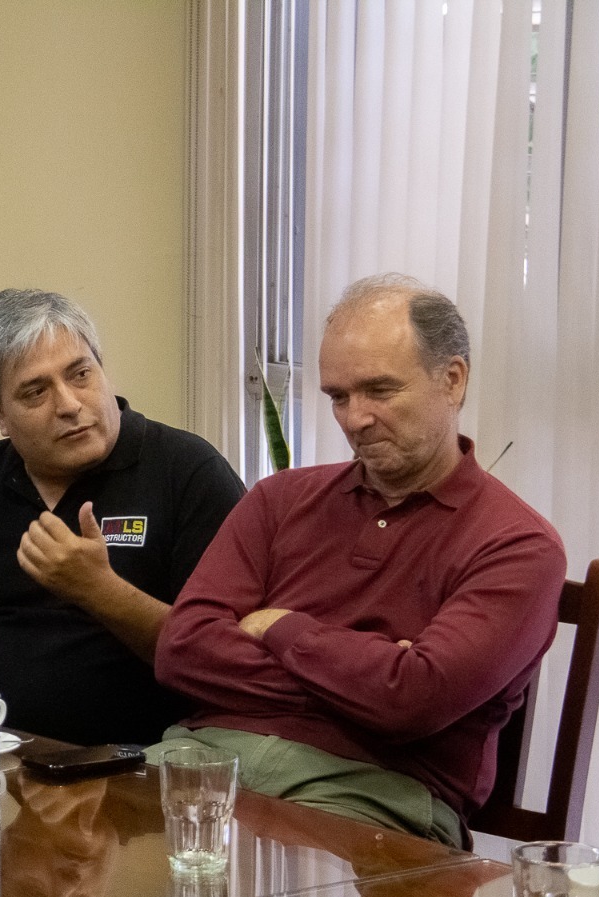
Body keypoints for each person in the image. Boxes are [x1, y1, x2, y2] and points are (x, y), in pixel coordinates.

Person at [153, 274, 567, 846]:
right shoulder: (279, 499)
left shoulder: (518, 545)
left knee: (255, 891)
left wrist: (281, 627)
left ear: (452, 379)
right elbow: (181, 650)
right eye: (338, 397)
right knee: (73, 859)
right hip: (203, 759)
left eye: (380, 390)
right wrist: (369, 678)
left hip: (371, 795)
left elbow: (413, 701)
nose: (355, 419)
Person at [0, 289, 244, 743]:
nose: (69, 404)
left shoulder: (189, 472)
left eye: (80, 374)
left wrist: (98, 589)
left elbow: (223, 661)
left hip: (140, 765)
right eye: (35, 392)